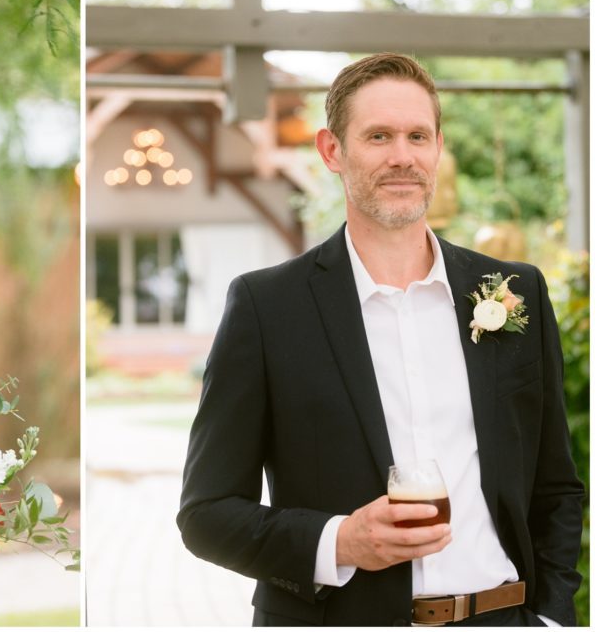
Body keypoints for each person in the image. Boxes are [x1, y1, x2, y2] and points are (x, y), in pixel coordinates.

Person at [177, 54, 583, 626]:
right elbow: (206, 514)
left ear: (438, 146)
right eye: (378, 136)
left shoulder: (518, 291)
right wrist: (338, 541)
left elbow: (555, 486)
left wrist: (552, 617)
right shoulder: (266, 307)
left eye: (418, 135)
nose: (402, 156)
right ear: (331, 151)